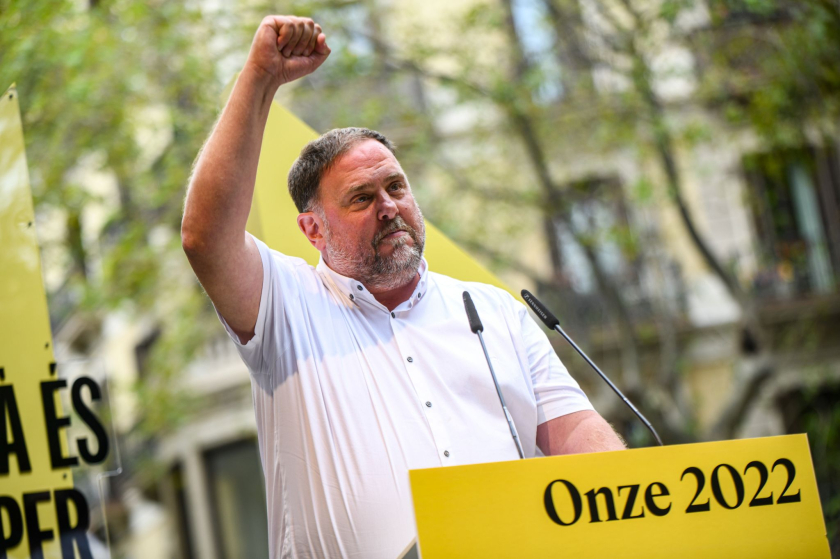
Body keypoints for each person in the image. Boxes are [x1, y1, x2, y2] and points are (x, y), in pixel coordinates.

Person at [181, 15, 626, 559]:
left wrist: (633, 505)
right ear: (313, 230)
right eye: (362, 198)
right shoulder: (285, 305)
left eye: (396, 186)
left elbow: (579, 438)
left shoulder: (491, 311)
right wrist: (259, 77)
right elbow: (205, 237)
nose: (390, 207)